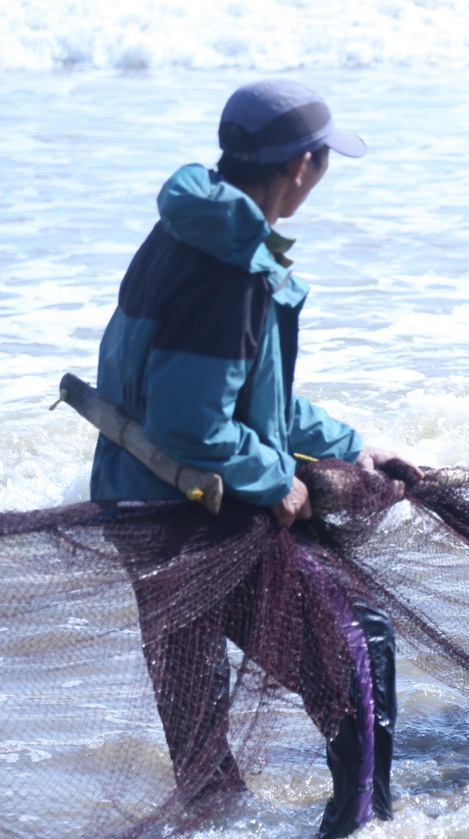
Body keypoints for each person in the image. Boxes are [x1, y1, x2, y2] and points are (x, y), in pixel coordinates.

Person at [89, 79, 418, 837]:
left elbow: (247, 400)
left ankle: (217, 820)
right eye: (325, 163)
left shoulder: (186, 229)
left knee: (194, 689)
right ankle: (361, 822)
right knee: (361, 643)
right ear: (301, 166)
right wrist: (277, 481)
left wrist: (351, 448)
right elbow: (193, 426)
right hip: (191, 511)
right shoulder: (231, 271)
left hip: (134, 497)